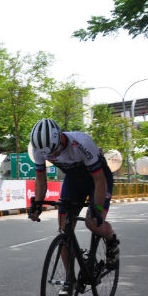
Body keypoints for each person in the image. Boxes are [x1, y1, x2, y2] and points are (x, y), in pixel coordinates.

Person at [28, 119, 119, 281]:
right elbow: (40, 179)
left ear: (60, 138)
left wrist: (97, 210)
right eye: (49, 155)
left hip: (97, 178)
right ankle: (70, 281)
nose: (52, 156)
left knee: (92, 223)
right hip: (73, 180)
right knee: (64, 230)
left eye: (54, 152)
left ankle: (111, 239)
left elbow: (99, 181)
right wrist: (37, 205)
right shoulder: (38, 149)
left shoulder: (81, 142)